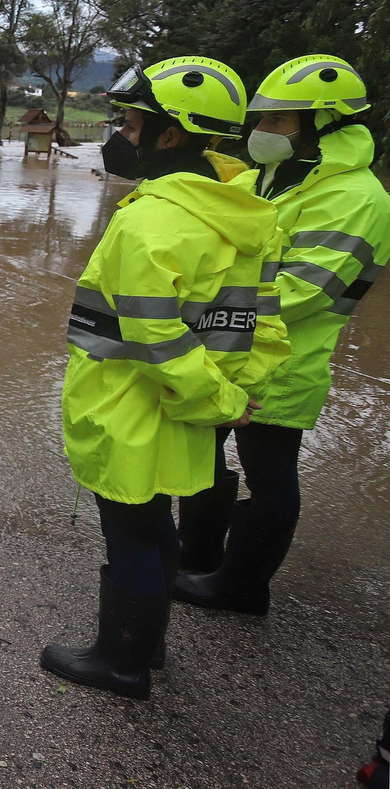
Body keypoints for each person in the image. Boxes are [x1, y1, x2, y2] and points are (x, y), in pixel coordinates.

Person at [42, 56, 289, 700]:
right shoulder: (249, 215)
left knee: (129, 531)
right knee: (159, 528)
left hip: (129, 406)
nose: (120, 134)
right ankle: (147, 646)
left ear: (169, 135)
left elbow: (156, 336)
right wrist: (231, 398)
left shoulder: (149, 220)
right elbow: (265, 324)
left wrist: (212, 395)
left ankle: (120, 661)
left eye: (129, 123)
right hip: (192, 411)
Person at [175, 55, 390, 615]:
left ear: (325, 123)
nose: (262, 132)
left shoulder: (355, 198)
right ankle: (197, 556)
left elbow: (307, 289)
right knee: (202, 454)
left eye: (279, 122)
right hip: (227, 348)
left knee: (268, 474)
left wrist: (199, 310)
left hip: (285, 360)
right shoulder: (270, 177)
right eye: (262, 120)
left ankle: (242, 588)